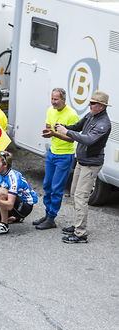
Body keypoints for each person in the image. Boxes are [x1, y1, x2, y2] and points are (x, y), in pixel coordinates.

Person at [55, 90, 112, 243]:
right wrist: (63, 126)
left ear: (102, 106)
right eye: (90, 102)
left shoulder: (103, 124)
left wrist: (66, 131)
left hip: (91, 165)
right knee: (74, 193)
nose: (89, 105)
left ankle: (81, 234)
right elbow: (77, 127)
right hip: (82, 162)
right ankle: (77, 225)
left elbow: (88, 140)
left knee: (81, 197)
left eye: (93, 103)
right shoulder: (91, 115)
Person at [32, 88, 79, 230]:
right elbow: (48, 128)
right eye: (52, 99)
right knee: (47, 185)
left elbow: (72, 138)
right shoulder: (50, 110)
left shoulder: (72, 115)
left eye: (56, 99)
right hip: (52, 153)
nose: (53, 102)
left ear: (63, 100)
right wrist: (47, 132)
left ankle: (51, 218)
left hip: (65, 155)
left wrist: (55, 133)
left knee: (57, 188)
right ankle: (48, 214)